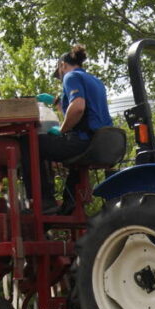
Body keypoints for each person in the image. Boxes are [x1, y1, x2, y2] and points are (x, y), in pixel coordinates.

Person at [24, 44, 112, 212]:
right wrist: (57, 102)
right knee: (66, 154)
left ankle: (43, 201)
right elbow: (86, 113)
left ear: (62, 65)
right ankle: (69, 204)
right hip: (99, 141)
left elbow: (78, 107)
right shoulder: (95, 80)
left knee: (30, 143)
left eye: (60, 74)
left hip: (83, 140)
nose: (61, 78)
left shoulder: (70, 76)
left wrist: (62, 131)